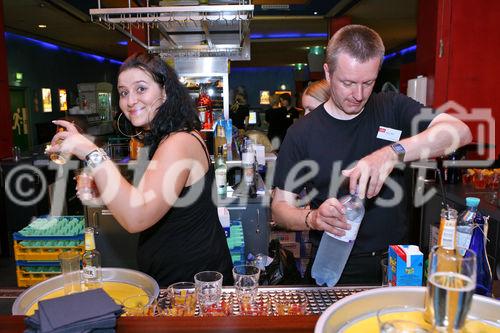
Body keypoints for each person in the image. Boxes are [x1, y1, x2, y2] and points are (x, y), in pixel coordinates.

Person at [271, 25, 472, 285]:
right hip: (337, 264)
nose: (358, 94)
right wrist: (313, 218)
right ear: (328, 73)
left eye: (368, 82)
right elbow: (279, 209)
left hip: (398, 262)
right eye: (348, 83)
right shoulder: (302, 133)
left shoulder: (392, 107)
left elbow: (459, 131)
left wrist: (391, 153)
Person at [47, 53, 234, 287]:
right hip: (179, 280)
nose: (131, 100)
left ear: (165, 91)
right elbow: (150, 201)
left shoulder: (178, 141)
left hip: (193, 285)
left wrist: (91, 152)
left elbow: (137, 217)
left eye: (141, 89)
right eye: (124, 92)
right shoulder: (167, 136)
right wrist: (105, 191)